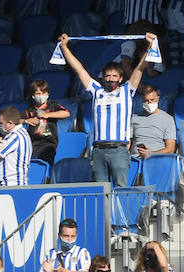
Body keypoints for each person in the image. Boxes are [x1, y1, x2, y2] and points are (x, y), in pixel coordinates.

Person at [56, 33, 155, 185]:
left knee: (121, 189)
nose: (110, 79)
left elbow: (139, 70)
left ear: (121, 78)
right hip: (98, 150)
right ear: (103, 78)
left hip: (119, 149)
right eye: (108, 76)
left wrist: (149, 47)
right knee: (100, 190)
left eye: (114, 76)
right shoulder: (97, 91)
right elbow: (79, 69)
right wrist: (64, 47)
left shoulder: (127, 91)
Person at [24, 80, 70, 164]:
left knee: (45, 163)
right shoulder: (30, 109)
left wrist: (48, 115)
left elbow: (66, 113)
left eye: (44, 93)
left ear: (48, 94)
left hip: (49, 143)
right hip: (33, 144)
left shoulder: (53, 106)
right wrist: (26, 120)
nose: (41, 96)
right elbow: (16, 120)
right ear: (33, 96)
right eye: (38, 94)